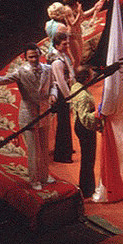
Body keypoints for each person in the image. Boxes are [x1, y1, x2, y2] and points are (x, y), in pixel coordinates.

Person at [0, 45, 55, 190]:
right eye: (31, 57)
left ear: (40, 54)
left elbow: (53, 85)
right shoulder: (21, 71)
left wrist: (53, 95)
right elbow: (4, 79)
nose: (34, 59)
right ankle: (34, 179)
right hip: (28, 115)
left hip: (45, 112)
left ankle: (45, 176)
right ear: (25, 58)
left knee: (44, 148)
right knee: (33, 150)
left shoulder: (48, 69)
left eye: (36, 56)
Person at [69, 65, 102, 198]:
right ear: (86, 78)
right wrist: (98, 114)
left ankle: (87, 187)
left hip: (79, 124)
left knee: (87, 158)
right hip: (84, 127)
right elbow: (85, 117)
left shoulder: (75, 87)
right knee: (88, 159)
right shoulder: (83, 96)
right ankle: (87, 189)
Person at [50, 31, 76, 164]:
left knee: (66, 124)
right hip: (62, 94)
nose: (66, 46)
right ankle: (61, 154)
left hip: (65, 91)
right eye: (64, 44)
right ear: (56, 45)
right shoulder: (56, 62)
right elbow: (60, 82)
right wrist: (70, 98)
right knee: (63, 125)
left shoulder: (62, 56)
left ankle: (67, 148)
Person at [62, 0, 86, 68]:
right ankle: (74, 76)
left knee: (81, 55)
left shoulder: (77, 4)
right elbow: (73, 24)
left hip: (79, 33)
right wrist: (79, 12)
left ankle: (79, 74)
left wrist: (95, 8)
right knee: (76, 58)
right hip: (72, 34)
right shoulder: (67, 9)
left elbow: (83, 16)